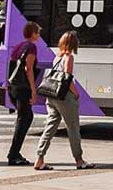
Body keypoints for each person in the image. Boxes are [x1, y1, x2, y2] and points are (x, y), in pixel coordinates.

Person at [34, 30, 95, 171]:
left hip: (51, 96)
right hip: (64, 96)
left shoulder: (57, 57)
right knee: (73, 128)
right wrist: (76, 93)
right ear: (73, 43)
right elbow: (67, 78)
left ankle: (39, 158)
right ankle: (79, 160)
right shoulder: (69, 57)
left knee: (50, 127)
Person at [5, 21, 42, 166]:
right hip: (22, 89)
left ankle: (15, 152)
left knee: (26, 117)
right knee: (23, 119)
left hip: (13, 88)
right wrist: (34, 91)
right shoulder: (31, 47)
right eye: (38, 32)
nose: (39, 35)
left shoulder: (19, 46)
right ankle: (13, 155)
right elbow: (29, 69)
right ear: (32, 33)